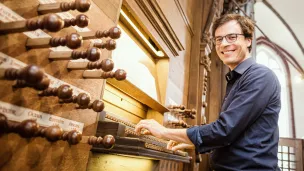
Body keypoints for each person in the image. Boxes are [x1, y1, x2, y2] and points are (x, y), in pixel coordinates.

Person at [135, 14, 281, 170]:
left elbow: (224, 131)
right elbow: (240, 136)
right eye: (219, 39)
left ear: (248, 40)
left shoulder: (259, 76)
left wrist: (163, 131)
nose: (224, 44)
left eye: (231, 37)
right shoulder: (238, 79)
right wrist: (193, 142)